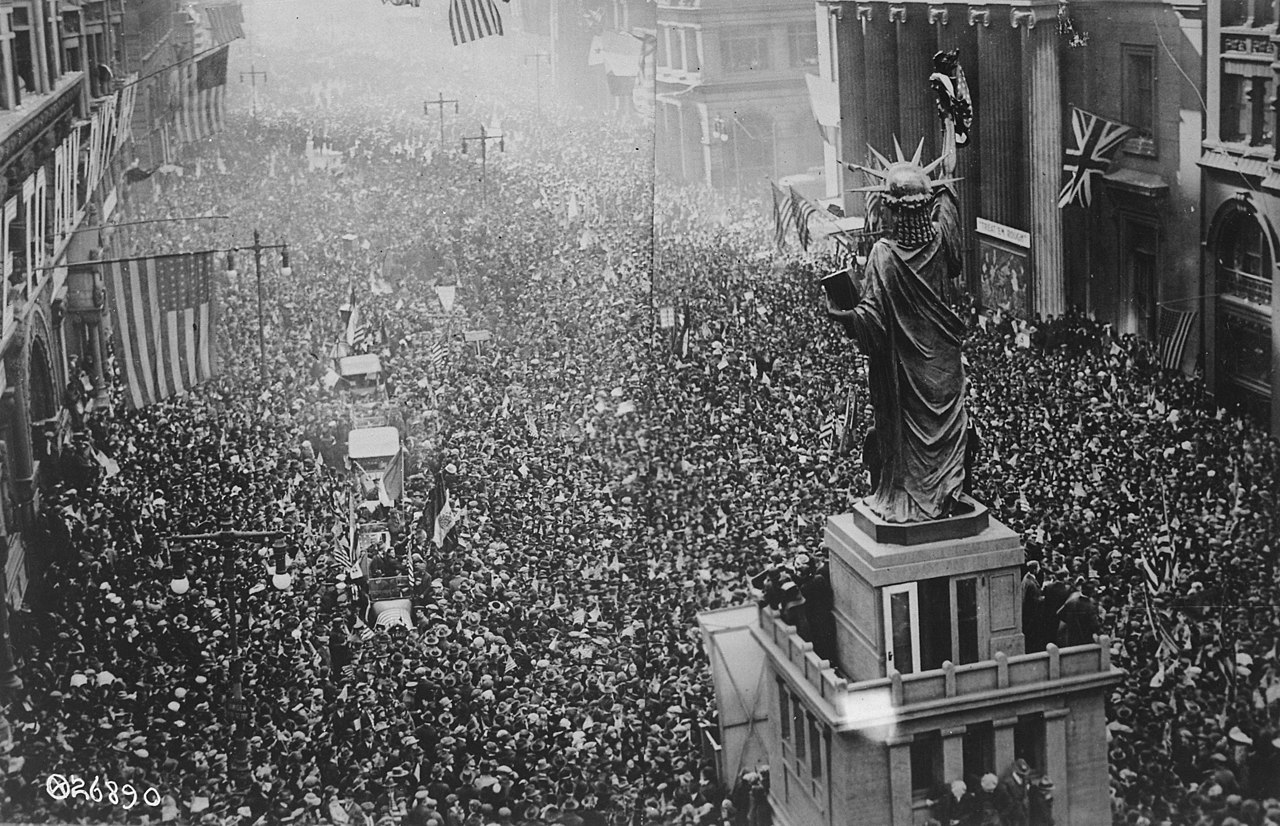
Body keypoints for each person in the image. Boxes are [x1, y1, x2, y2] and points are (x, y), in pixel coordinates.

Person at [825, 146, 967, 523]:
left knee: (904, 438)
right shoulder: (943, 240)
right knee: (948, 438)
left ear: (892, 208)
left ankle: (910, 498)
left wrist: (843, 315)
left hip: (905, 373)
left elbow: (871, 321)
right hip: (945, 367)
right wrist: (950, 128)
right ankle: (946, 492)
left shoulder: (883, 255)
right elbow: (949, 192)